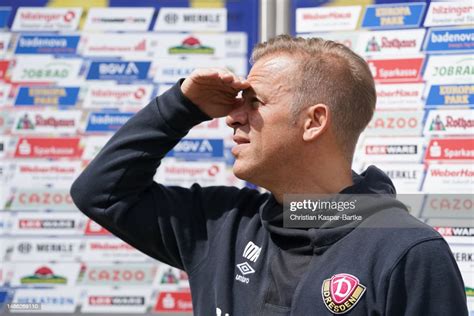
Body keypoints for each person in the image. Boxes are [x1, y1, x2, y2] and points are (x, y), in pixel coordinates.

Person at [70, 35, 467, 315]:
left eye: (254, 101)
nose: (231, 117)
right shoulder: (222, 226)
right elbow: (102, 193)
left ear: (313, 122)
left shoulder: (407, 252)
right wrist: (182, 105)